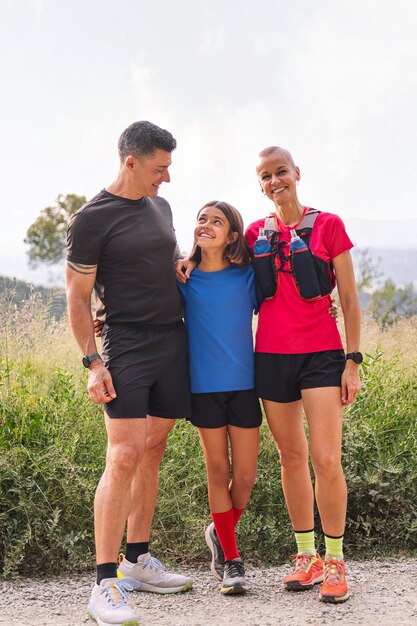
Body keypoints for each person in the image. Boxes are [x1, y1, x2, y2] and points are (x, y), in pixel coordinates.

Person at [65, 121, 192, 626]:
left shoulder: (160, 207)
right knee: (122, 455)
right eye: (160, 168)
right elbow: (77, 295)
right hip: (127, 345)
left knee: (152, 448)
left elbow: (157, 261)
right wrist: (93, 362)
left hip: (172, 340)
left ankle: (136, 558)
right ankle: (103, 585)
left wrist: (180, 265)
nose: (166, 178)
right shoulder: (91, 218)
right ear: (131, 162)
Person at [245, 146, 362, 604]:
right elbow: (216, 263)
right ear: (260, 183)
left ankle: (335, 561)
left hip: (321, 355)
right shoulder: (255, 232)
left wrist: (352, 360)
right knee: (290, 457)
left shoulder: (328, 225)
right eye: (265, 176)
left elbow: (349, 300)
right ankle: (306, 557)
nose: (275, 181)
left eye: (281, 172)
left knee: (326, 459)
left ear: (297, 173)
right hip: (270, 356)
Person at [177, 200, 262, 595]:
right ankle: (231, 559)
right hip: (203, 388)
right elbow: (148, 305)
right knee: (218, 471)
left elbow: (282, 304)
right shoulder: (182, 277)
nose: (206, 225)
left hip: (244, 385)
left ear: (232, 236)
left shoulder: (247, 277)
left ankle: (218, 530)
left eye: (217, 221)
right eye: (201, 219)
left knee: (244, 477)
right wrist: (106, 317)